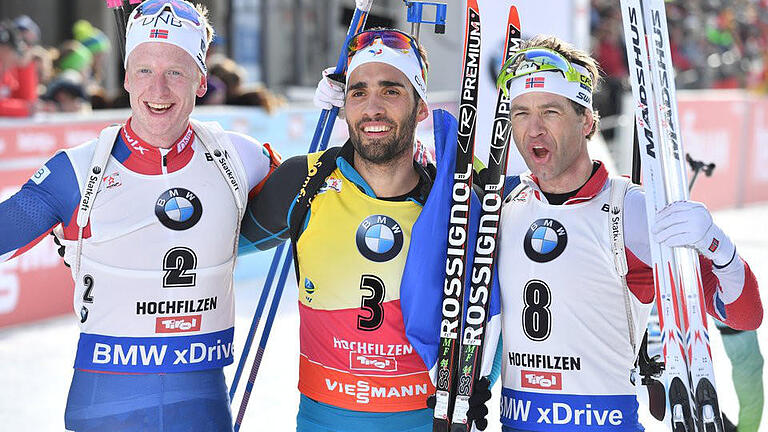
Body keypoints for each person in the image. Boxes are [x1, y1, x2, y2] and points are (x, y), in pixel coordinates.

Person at [0, 1, 279, 431]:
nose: (159, 89)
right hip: (106, 410)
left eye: (176, 72)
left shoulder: (242, 157)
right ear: (127, 77)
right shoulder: (76, 171)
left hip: (201, 408)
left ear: (202, 81)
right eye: (145, 70)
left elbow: (315, 205)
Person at [487, 35, 762, 431]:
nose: (533, 130)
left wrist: (718, 248)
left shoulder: (630, 209)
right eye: (520, 113)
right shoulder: (504, 204)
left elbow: (744, 314)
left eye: (550, 112)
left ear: (587, 121)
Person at [240, 28, 491, 431]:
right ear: (343, 106)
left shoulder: (456, 198)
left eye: (391, 91)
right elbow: (212, 243)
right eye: (358, 92)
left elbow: (493, 301)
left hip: (425, 420)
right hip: (325, 420)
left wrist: (479, 380)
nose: (372, 108)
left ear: (421, 107)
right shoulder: (304, 181)